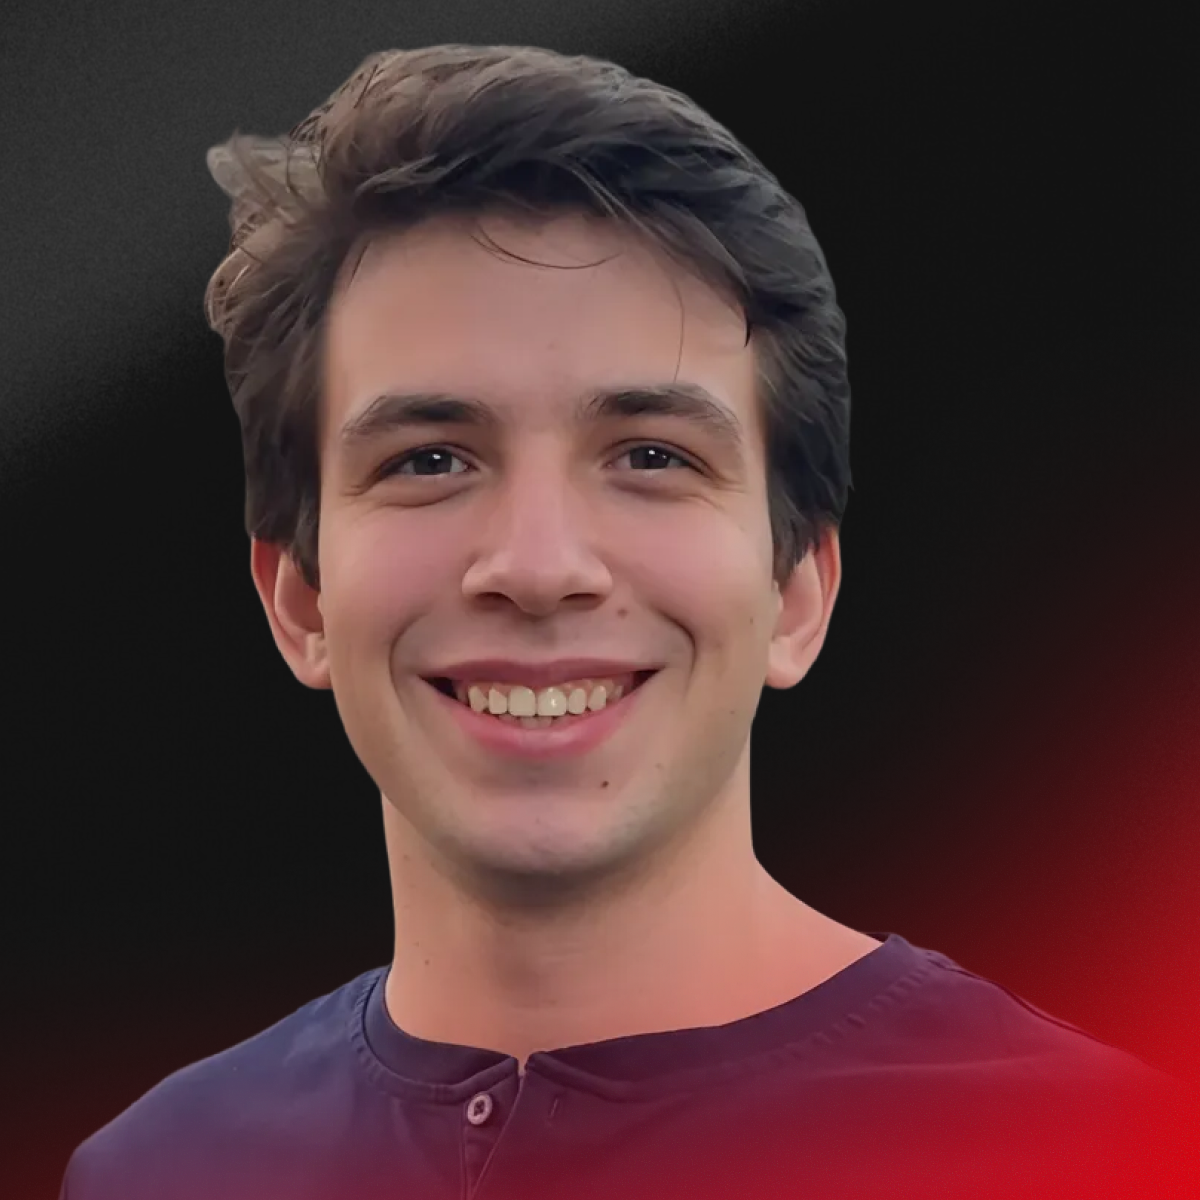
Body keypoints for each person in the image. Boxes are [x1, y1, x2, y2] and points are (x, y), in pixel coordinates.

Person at [59, 44, 1196, 1200]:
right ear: (297, 598)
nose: (540, 567)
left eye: (652, 456)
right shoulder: (156, 1171)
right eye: (431, 459)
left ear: (797, 589)